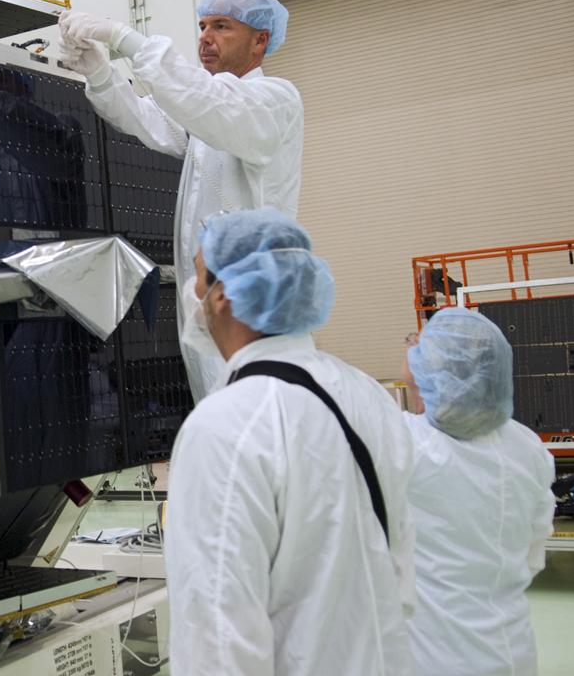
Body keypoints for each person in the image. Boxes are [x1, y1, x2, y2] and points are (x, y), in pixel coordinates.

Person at [164, 208, 415, 675]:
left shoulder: (225, 426)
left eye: (197, 275)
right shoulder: (368, 396)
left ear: (222, 297)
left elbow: (217, 640)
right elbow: (398, 560)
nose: (191, 291)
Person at [58, 0, 303, 400]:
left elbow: (205, 102)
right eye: (203, 25)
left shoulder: (273, 99)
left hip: (252, 309)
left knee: (257, 424)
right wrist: (99, 72)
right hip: (209, 308)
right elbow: (150, 120)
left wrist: (123, 37)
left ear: (261, 39)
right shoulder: (212, 111)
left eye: (222, 26)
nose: (205, 37)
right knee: (221, 425)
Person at [400, 308, 555, 676]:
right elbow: (533, 555)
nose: (412, 346)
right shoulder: (527, 446)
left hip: (436, 658)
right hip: (512, 649)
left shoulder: (405, 441)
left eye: (420, 343)